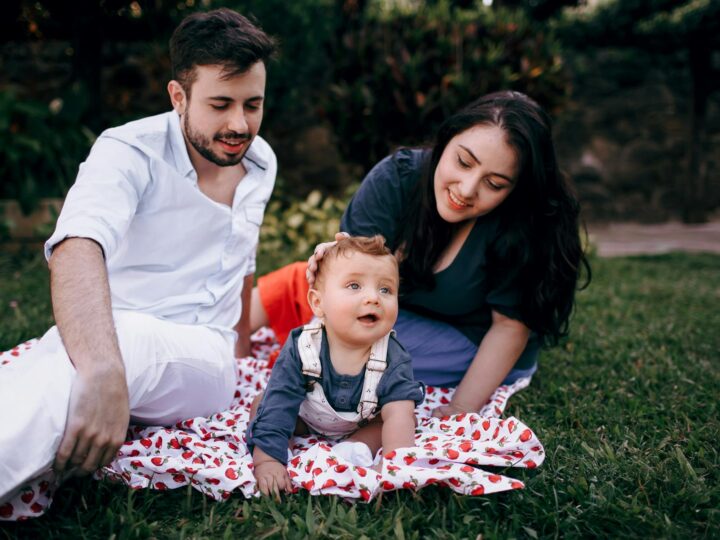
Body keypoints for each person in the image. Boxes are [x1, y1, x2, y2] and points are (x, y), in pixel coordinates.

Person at [0, 8, 276, 504]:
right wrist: (102, 369)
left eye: (252, 105)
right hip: (107, 338)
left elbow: (242, 257)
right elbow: (77, 245)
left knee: (113, 347)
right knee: (63, 363)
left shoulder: (261, 162)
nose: (240, 124)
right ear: (178, 96)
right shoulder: (129, 150)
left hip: (203, 361)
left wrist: (242, 350)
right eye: (220, 104)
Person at [251, 91, 590, 419]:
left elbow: (508, 329)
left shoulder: (524, 225)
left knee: (355, 350)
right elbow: (354, 270)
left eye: (495, 184)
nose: (467, 189)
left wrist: (461, 408)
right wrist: (335, 261)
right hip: (401, 312)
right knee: (298, 281)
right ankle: (233, 347)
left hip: (474, 340)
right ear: (446, 140)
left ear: (516, 189)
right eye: (463, 162)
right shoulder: (399, 177)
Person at [246, 236, 424, 498]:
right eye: (354, 285)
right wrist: (267, 460)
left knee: (403, 418)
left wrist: (395, 465)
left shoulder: (393, 355)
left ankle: (355, 448)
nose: (373, 297)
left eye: (386, 290)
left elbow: (397, 413)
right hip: (306, 416)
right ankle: (279, 450)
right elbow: (281, 400)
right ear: (318, 303)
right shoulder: (302, 346)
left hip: (361, 422)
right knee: (264, 404)